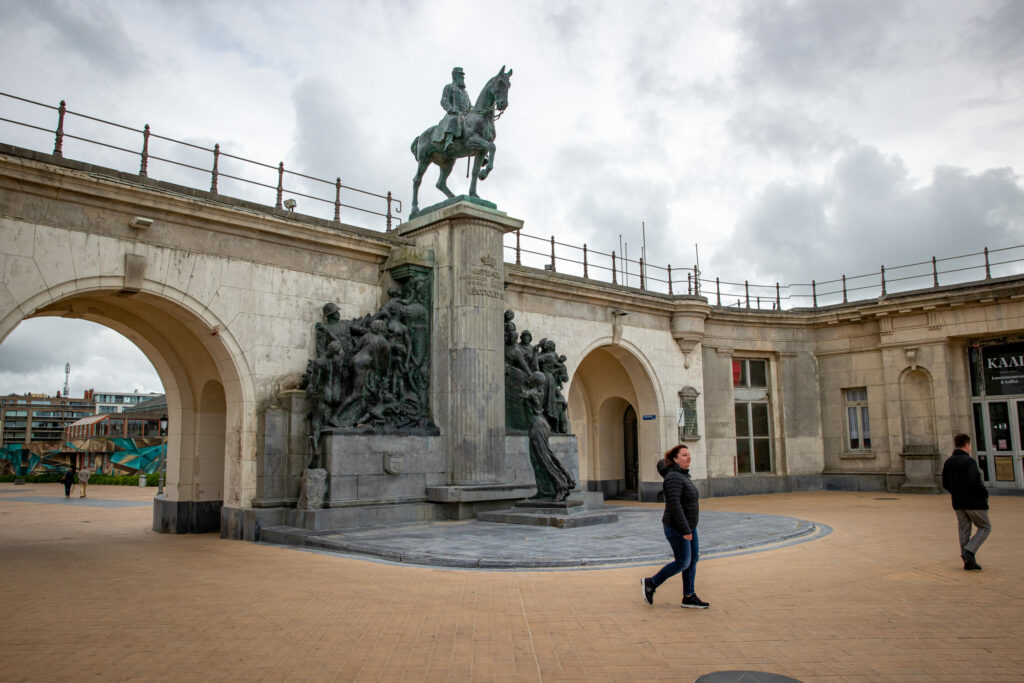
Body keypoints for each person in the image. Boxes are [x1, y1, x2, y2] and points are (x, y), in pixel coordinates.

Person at [641, 444, 709, 609]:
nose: (689, 457)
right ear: (675, 459)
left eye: (689, 454)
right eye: (684, 455)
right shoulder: (673, 477)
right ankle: (651, 583)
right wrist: (685, 529)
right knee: (682, 562)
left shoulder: (682, 475)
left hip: (689, 526)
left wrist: (689, 527)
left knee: (692, 560)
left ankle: (689, 596)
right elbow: (674, 505)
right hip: (677, 527)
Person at [941, 433, 990, 571]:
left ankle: (968, 561)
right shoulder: (969, 462)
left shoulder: (949, 462)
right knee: (985, 526)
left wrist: (956, 491)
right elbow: (974, 480)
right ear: (967, 445)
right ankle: (969, 551)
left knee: (964, 531)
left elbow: (945, 483)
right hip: (974, 502)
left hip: (958, 502)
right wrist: (983, 494)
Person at [431, 67, 472, 154]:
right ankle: (448, 141)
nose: (463, 77)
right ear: (455, 75)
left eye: (462, 75)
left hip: (465, 115)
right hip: (454, 113)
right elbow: (444, 101)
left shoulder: (465, 92)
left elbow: (469, 106)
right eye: (460, 75)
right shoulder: (449, 87)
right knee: (454, 119)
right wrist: (451, 109)